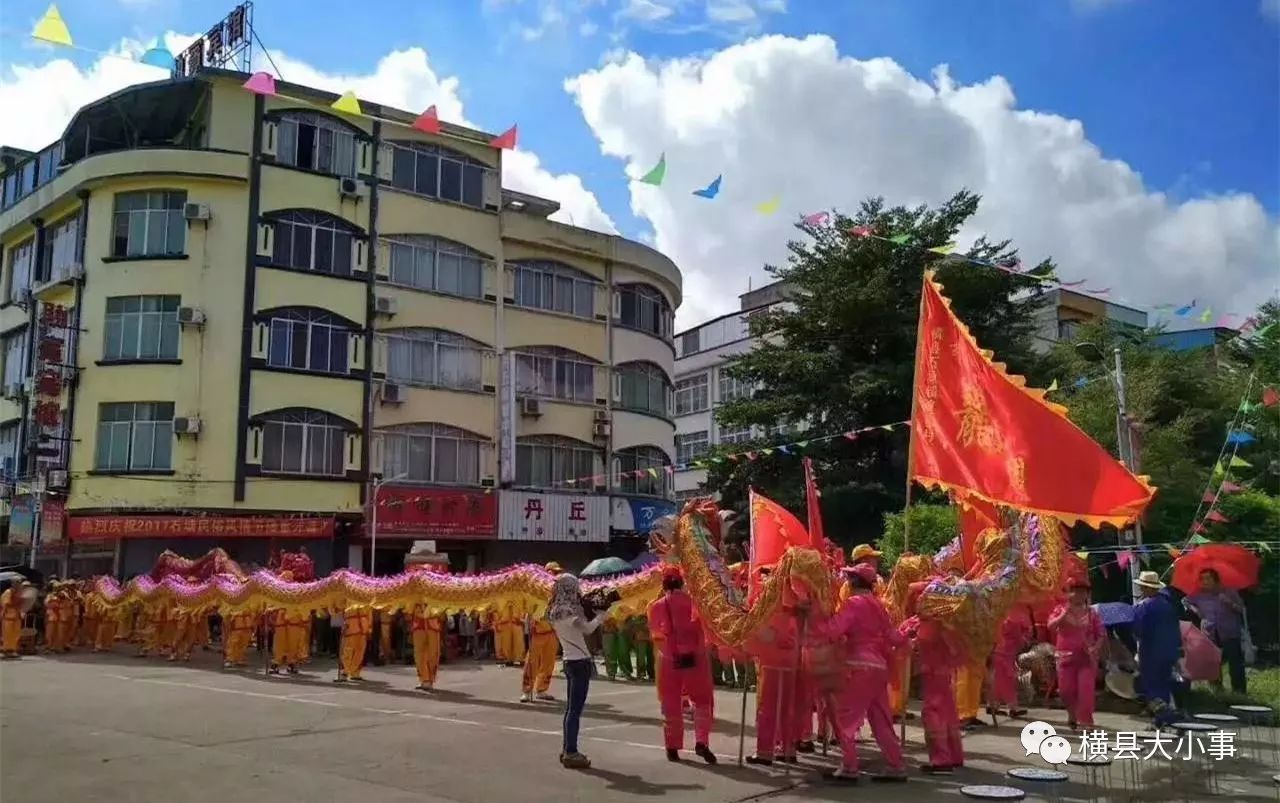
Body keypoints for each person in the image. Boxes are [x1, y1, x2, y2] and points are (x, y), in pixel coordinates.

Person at [822, 563, 907, 782]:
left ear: (853, 583)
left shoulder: (853, 603)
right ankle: (896, 765)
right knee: (881, 720)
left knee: (845, 717)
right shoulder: (879, 606)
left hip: (859, 666)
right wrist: (909, 629)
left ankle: (850, 766)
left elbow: (834, 631)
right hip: (879, 668)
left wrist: (819, 619)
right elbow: (895, 637)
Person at [648, 565, 717, 764]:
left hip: (670, 657)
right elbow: (706, 628)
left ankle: (672, 747)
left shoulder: (658, 605)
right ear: (682, 582)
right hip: (697, 657)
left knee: (671, 703)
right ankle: (702, 741)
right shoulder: (696, 603)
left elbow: (655, 631)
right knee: (703, 701)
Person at [548, 573, 610, 769]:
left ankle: (567, 748)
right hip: (579, 661)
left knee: (570, 709)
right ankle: (572, 751)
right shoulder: (569, 612)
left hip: (568, 660)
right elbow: (587, 629)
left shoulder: (555, 611)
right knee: (575, 710)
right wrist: (601, 616)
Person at [1048, 583, 1104, 730]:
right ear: (1069, 594)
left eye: (1082, 592)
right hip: (1065, 657)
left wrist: (1095, 648)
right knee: (1066, 691)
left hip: (1086, 658)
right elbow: (1051, 626)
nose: (1079, 595)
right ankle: (1072, 714)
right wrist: (1063, 615)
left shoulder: (1092, 613)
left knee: (1086, 690)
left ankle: (1086, 721)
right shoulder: (1060, 610)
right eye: (1075, 592)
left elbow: (1101, 634)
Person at [1184, 568, 1248, 694]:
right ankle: (1217, 690)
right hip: (1210, 632)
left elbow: (1241, 609)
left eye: (1208, 578)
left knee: (1235, 663)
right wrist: (1195, 610)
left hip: (1229, 632)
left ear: (1215, 579)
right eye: (1202, 579)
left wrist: (1229, 602)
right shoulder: (1198, 595)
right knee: (1213, 663)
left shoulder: (1229, 591)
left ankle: (1239, 691)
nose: (1205, 581)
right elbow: (1185, 601)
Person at [1132, 571, 1182, 726]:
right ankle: (1160, 720)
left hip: (1151, 650)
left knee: (1150, 685)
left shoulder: (1144, 607)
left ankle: (1166, 716)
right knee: (1163, 684)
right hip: (1169, 650)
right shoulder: (1168, 605)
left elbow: (1138, 629)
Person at [989, 605, 1033, 718]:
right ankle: (1011, 706)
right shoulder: (1005, 614)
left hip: (1007, 650)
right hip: (1002, 650)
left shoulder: (1015, 612)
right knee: (1006, 678)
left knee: (1000, 678)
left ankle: (994, 704)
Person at [411, 603, 444, 691]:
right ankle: (423, 679)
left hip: (432, 624)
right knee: (419, 654)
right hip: (418, 624)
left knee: (433, 654)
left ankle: (430, 680)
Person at [337, 603, 372, 682]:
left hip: (363, 629)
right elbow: (337, 609)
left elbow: (369, 614)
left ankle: (355, 673)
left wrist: (369, 629)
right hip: (351, 627)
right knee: (348, 650)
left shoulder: (366, 598)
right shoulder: (347, 596)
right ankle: (345, 671)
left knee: (360, 651)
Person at [1, 581, 29, 658]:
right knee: (7, 634)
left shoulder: (19, 593)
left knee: (16, 634)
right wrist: (16, 602)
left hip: (17, 616)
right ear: (13, 584)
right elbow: (6, 603)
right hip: (8, 616)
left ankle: (12, 650)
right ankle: (5, 650)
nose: (18, 585)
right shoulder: (8, 592)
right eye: (17, 583)